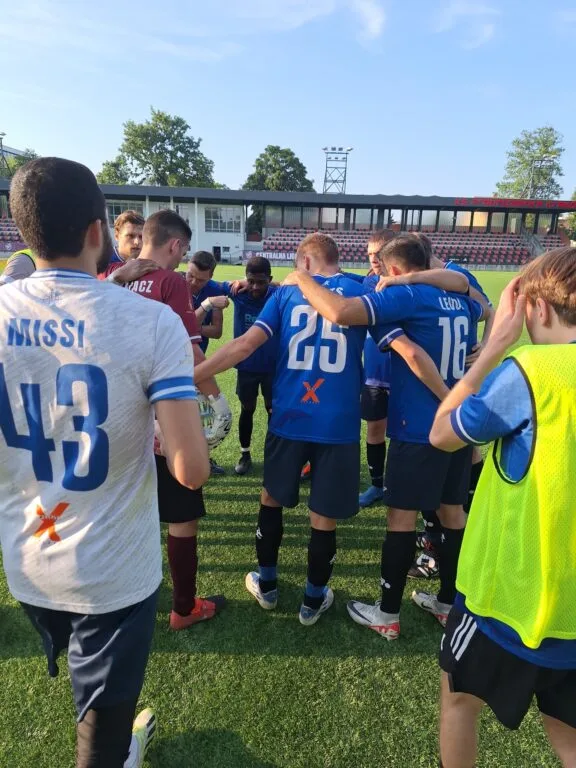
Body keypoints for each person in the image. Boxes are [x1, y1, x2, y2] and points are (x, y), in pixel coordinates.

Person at [1, 157, 210, 767]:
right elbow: (191, 470)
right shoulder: (153, 322)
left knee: (83, 673)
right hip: (112, 570)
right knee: (101, 729)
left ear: (23, 233)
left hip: (29, 559)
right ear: (99, 231)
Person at [194, 233, 450, 626]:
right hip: (339, 423)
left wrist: (193, 376)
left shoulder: (286, 293)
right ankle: (313, 601)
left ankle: (267, 584)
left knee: (271, 499)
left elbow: (244, 345)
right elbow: (402, 345)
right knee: (323, 516)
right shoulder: (360, 290)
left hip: (290, 418)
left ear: (305, 263)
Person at [283, 235, 485, 638]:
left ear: (393, 271)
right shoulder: (462, 299)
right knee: (452, 514)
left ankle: (387, 614)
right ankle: (449, 603)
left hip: (421, 427)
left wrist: (300, 278)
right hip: (461, 425)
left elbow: (340, 311)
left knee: (401, 520)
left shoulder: (405, 296)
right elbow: (482, 300)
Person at [429, 249, 576, 768]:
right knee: (567, 733)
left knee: (458, 699)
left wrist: (492, 348)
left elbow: (443, 433)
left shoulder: (531, 369)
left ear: (534, 308)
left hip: (509, 597)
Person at [104, 210, 231, 631]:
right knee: (181, 514)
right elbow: (189, 350)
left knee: (124, 509)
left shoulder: (111, 276)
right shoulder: (170, 282)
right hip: (162, 415)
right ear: (176, 246)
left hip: (115, 414)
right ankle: (183, 606)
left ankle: (119, 603)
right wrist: (216, 397)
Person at [221, 255, 277, 476]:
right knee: (247, 409)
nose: (254, 287)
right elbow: (209, 283)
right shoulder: (239, 293)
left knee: (273, 410)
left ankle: (273, 455)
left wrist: (274, 285)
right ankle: (245, 454)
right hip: (246, 367)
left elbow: (297, 283)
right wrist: (234, 282)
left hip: (273, 367)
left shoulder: (276, 294)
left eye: (261, 282)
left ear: (269, 279)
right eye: (251, 281)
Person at [358, 229, 396, 507]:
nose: (373, 258)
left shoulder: (409, 284)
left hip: (405, 373)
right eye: (369, 253)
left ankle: (397, 485)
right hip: (373, 373)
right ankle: (377, 485)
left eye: (378, 253)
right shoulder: (366, 283)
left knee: (403, 433)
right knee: (374, 430)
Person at [185, 250, 230, 475]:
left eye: (201, 279)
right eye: (190, 275)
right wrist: (205, 306)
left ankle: (204, 457)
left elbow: (217, 331)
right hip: (172, 361)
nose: (193, 282)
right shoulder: (173, 284)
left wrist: (190, 325)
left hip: (199, 362)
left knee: (203, 413)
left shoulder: (215, 290)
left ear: (211, 277)